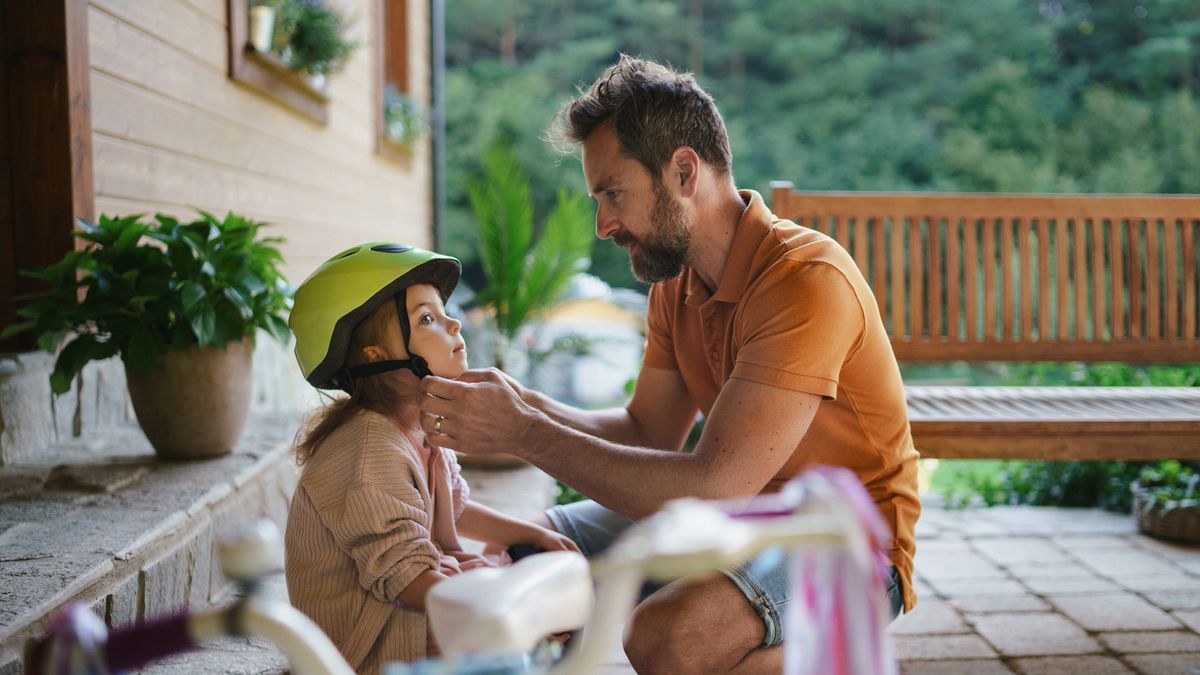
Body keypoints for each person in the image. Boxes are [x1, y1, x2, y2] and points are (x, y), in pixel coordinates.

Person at [417, 55, 921, 674]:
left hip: (844, 541)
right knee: (523, 551)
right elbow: (648, 433)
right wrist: (520, 404)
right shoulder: (674, 285)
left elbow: (716, 484)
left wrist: (522, 432)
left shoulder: (804, 280)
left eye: (613, 193)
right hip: (734, 515)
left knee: (666, 638)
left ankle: (838, 649)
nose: (604, 224)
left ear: (684, 171)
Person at [283, 243, 578, 674]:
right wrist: (501, 614)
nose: (454, 323)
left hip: (405, 607)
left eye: (443, 312)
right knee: (515, 628)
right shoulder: (368, 452)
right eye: (427, 319)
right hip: (367, 646)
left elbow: (451, 509)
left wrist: (535, 537)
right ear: (376, 357)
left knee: (534, 577)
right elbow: (407, 579)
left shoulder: (419, 427)